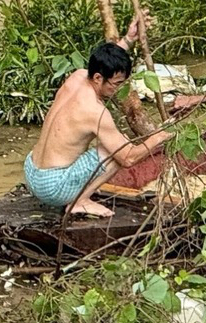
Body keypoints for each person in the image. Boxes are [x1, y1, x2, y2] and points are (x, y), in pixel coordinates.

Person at [24, 42, 171, 219]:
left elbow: (102, 60)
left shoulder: (77, 76)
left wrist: (127, 41)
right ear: (98, 78)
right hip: (52, 187)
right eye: (116, 84)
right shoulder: (94, 111)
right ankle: (79, 201)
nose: (118, 89)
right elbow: (128, 158)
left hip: (31, 171)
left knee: (112, 143)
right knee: (117, 149)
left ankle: (77, 192)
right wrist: (158, 137)